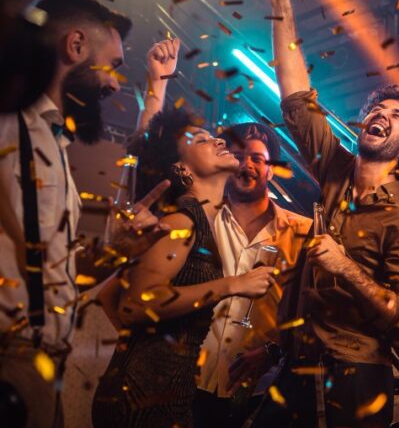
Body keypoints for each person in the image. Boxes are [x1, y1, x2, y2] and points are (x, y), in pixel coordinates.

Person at [250, 0, 399, 426]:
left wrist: (345, 267)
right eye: (378, 109)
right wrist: (281, 2)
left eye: (397, 116)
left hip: (356, 375)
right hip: (298, 361)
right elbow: (295, 95)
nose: (382, 115)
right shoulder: (335, 166)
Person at [92, 110, 275, 427]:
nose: (219, 140)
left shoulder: (200, 220)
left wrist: (150, 342)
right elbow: (134, 305)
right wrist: (232, 284)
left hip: (163, 390)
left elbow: (109, 296)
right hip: (146, 398)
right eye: (202, 140)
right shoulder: (182, 221)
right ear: (181, 169)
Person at [0, 0, 131, 428]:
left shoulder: (54, 140)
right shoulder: (8, 122)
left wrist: (117, 254)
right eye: (113, 66)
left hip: (42, 363)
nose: (115, 85)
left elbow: (53, 270)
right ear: (75, 46)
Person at [192, 122, 312, 428]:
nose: (246, 165)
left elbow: (312, 312)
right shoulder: (201, 219)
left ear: (271, 170)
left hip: (259, 391)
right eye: (237, 156)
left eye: (257, 158)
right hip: (190, 380)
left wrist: (273, 350)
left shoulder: (303, 232)